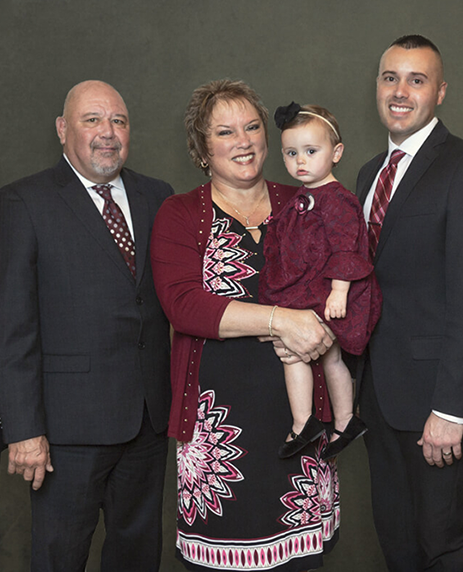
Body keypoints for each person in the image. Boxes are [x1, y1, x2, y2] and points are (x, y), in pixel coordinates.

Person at [0, 80, 175, 572]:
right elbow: (9, 326)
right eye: (92, 120)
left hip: (148, 419)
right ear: (63, 129)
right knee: (60, 557)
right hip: (66, 429)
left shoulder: (158, 196)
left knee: (137, 556)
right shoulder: (21, 203)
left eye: (118, 121)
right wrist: (24, 429)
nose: (107, 132)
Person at [151, 80, 342, 571]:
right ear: (202, 148)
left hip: (298, 428)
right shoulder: (179, 214)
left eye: (253, 126)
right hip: (218, 441)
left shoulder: (305, 201)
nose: (243, 140)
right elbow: (184, 305)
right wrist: (283, 320)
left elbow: (346, 276)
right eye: (225, 131)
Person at [354, 35, 463, 572]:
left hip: (435, 403)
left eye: (416, 80)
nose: (400, 91)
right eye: (389, 77)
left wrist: (451, 408)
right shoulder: (369, 173)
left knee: (439, 542)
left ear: (440, 92)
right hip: (378, 394)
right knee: (395, 540)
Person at [262, 102, 381, 460]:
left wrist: (339, 292)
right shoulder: (302, 197)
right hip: (306, 289)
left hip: (326, 293)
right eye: (291, 153)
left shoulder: (339, 201)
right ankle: (339, 422)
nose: (301, 161)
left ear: (336, 153)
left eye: (311, 152)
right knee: (323, 359)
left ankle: (310, 423)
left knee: (304, 357)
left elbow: (348, 248)